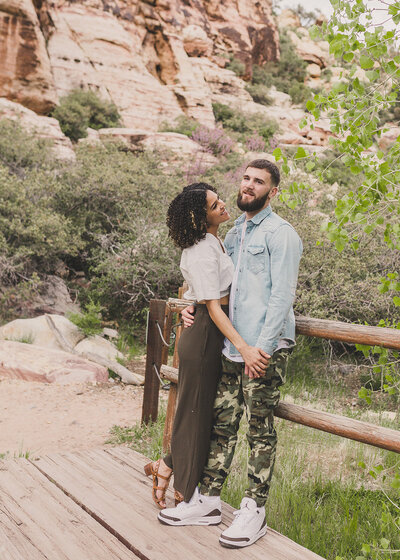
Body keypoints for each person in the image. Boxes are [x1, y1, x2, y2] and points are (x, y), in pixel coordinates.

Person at [157, 159, 303, 549]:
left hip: (262, 349)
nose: (248, 186)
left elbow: (282, 295)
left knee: (259, 430)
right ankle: (207, 500)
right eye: (246, 179)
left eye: (259, 182)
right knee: (223, 424)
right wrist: (190, 303)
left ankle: (254, 510)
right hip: (232, 346)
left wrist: (263, 348)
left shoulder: (281, 234)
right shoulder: (234, 234)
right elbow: (213, 283)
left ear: (273, 192)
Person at [144, 182, 269, 509]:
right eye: (215, 206)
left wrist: (190, 301)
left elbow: (197, 288)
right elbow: (212, 305)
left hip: (211, 330)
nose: (223, 205)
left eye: (218, 200)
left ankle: (167, 466)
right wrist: (243, 347)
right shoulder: (200, 248)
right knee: (194, 411)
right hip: (205, 334)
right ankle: (183, 492)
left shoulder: (214, 240)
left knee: (205, 411)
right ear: (201, 220)